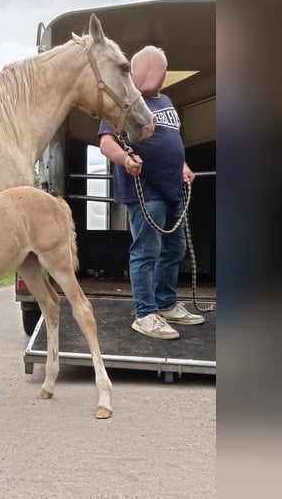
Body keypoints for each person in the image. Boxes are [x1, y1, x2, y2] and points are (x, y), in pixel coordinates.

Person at [98, 45, 205, 340]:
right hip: (145, 189)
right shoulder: (125, 100)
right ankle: (145, 314)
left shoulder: (167, 100)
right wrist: (125, 160)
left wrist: (183, 165)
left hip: (173, 188)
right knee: (146, 251)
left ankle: (166, 304)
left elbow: (172, 140)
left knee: (174, 250)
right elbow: (107, 142)